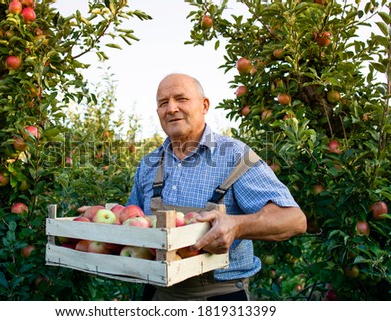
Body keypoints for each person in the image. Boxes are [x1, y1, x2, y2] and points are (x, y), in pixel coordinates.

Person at [126, 73, 307, 301]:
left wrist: (237, 226)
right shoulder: (149, 164)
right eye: (163, 103)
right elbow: (131, 223)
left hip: (218, 295)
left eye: (181, 99)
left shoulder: (235, 156)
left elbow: (294, 219)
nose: (171, 108)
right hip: (157, 294)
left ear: (204, 106)